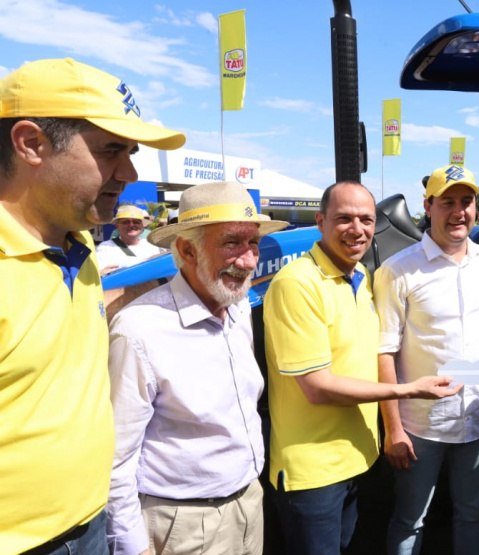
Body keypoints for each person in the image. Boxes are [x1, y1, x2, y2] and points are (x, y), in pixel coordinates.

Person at [0, 58, 184, 555]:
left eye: (130, 152)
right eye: (111, 150)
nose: (129, 173)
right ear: (31, 144)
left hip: (92, 521)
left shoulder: (75, 241)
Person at [263, 181, 463, 555]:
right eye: (344, 219)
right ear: (320, 222)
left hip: (357, 459)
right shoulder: (297, 283)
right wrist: (408, 390)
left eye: (366, 220)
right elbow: (318, 387)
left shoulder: (361, 279)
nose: (357, 230)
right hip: (313, 473)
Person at [105, 181, 285, 555]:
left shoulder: (236, 310)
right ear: (187, 249)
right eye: (232, 243)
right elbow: (115, 460)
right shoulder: (139, 330)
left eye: (253, 243)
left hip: (249, 503)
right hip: (182, 526)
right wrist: (133, 548)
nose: (250, 260)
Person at [373, 164, 479, 555]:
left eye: (467, 202)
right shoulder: (398, 270)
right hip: (420, 426)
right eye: (448, 203)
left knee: (472, 512)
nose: (459, 212)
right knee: (410, 520)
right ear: (429, 206)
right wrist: (393, 430)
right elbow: (384, 352)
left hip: (478, 420)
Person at [96, 204, 167, 274]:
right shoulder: (105, 248)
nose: (131, 225)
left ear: (142, 225)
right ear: (117, 226)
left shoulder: (152, 245)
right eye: (125, 222)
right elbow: (99, 275)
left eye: (136, 222)